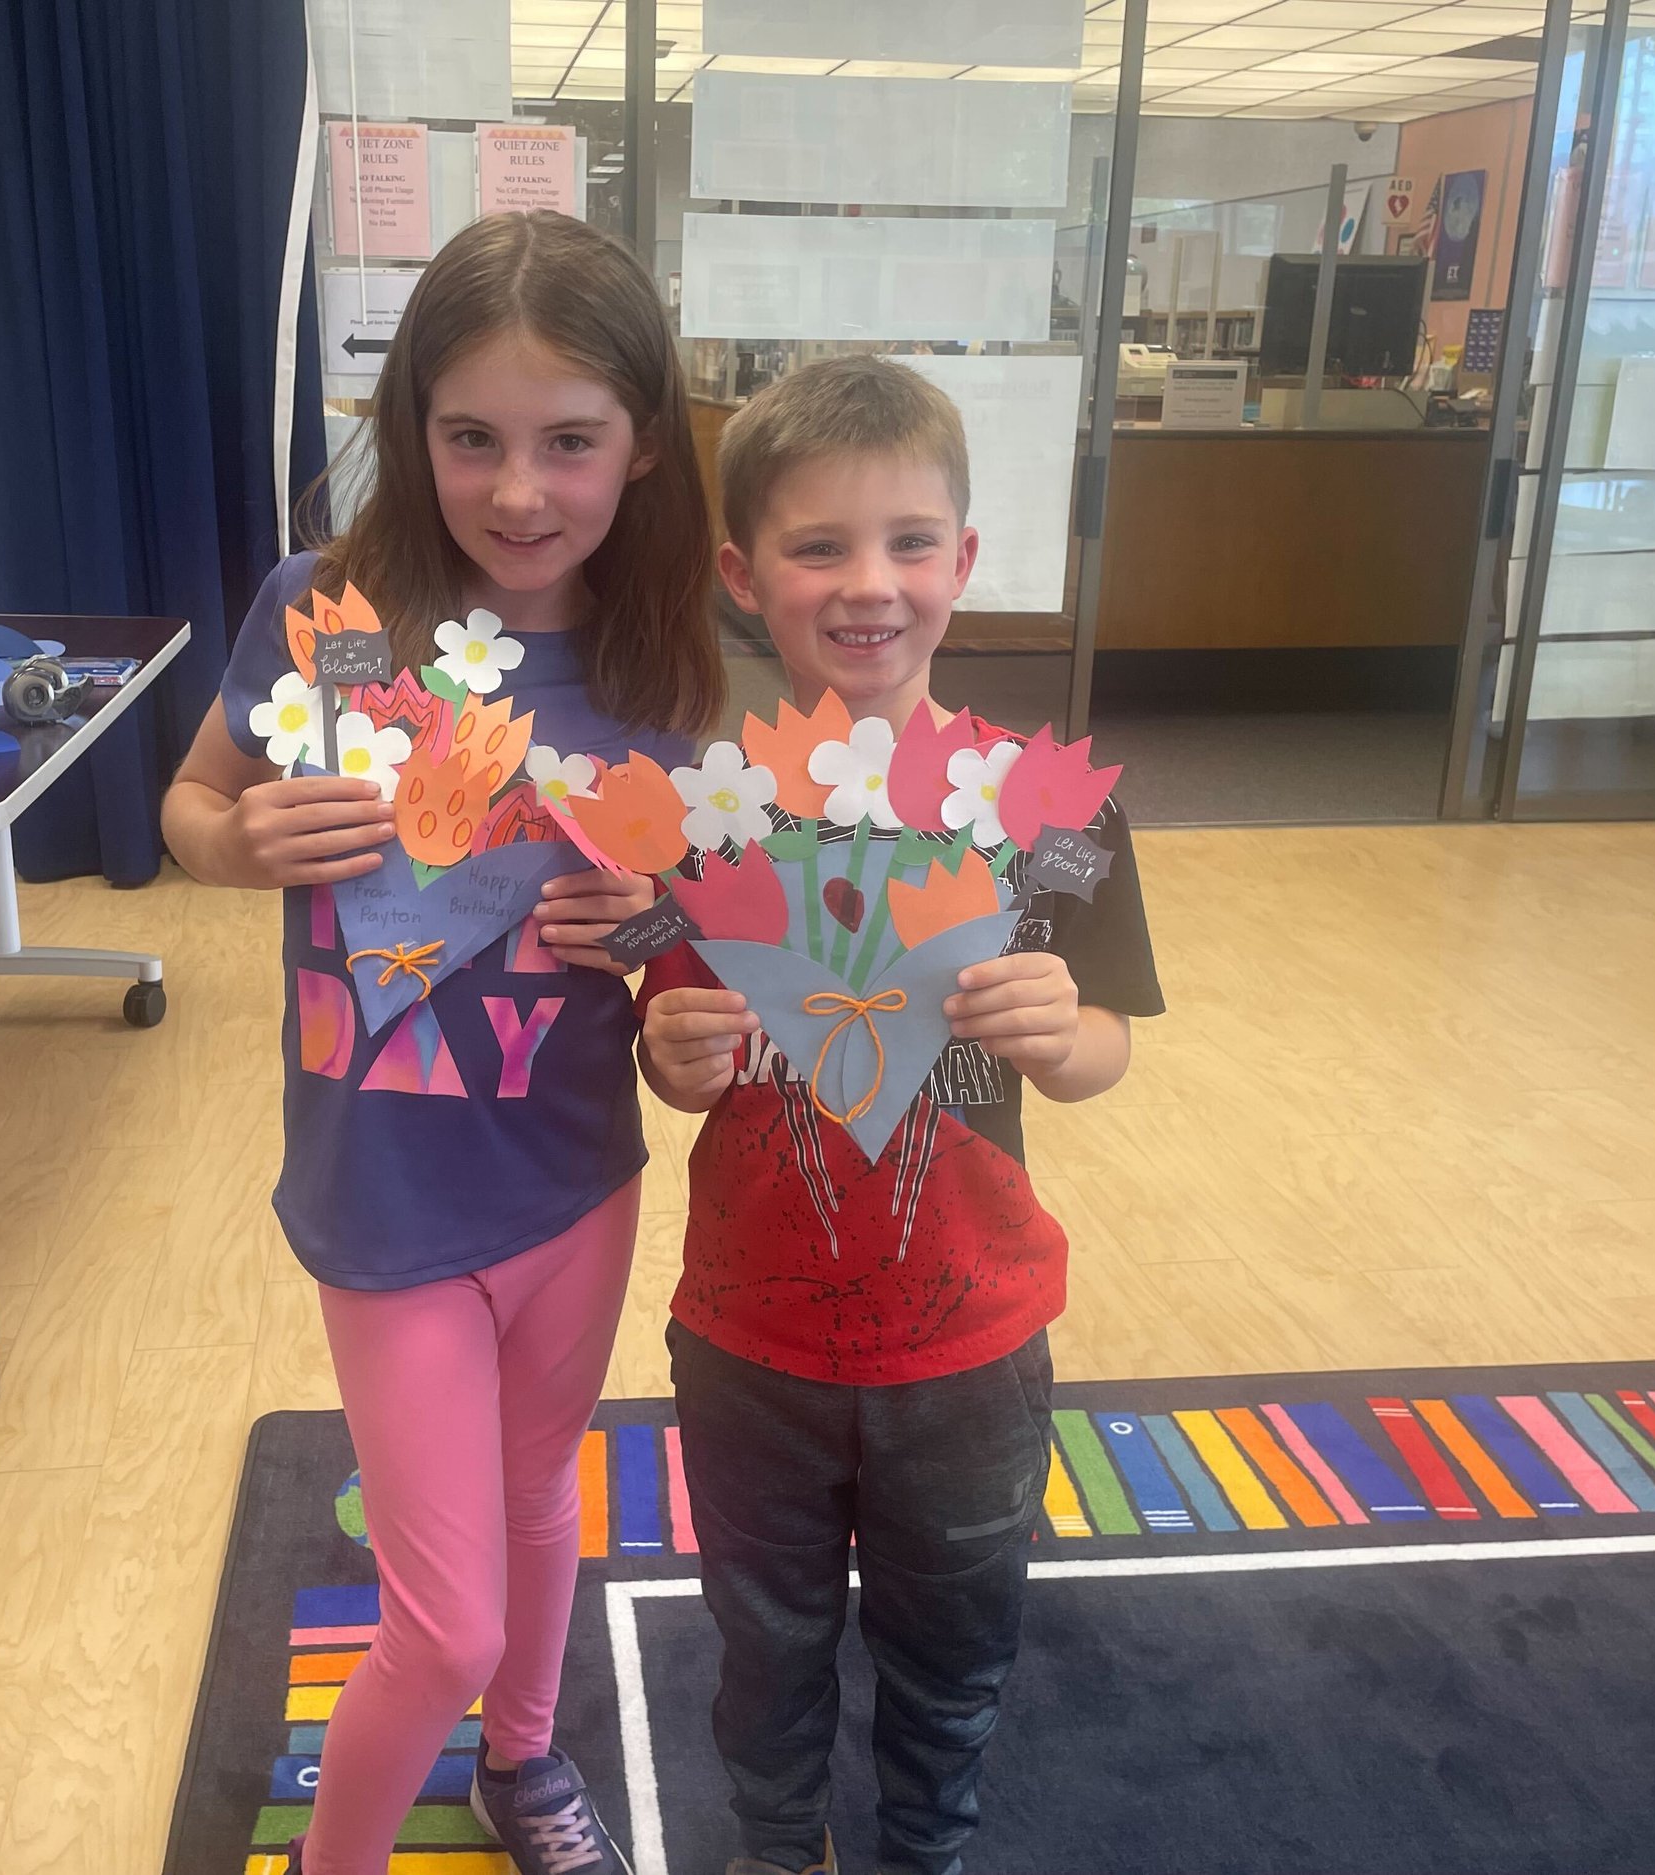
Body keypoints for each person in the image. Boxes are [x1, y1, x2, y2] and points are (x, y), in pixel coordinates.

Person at [164, 210, 722, 1875]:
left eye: (572, 443)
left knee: (543, 1497)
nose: (520, 490)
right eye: (471, 438)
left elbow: (679, 931)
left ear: (642, 448)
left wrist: (646, 935)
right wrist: (239, 838)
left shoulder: (655, 657)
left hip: (570, 1175)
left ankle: (525, 1768)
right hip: (388, 1199)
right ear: (413, 427)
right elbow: (191, 802)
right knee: (449, 1619)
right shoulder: (326, 615)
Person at [637, 357, 1165, 1875]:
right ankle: (772, 1840)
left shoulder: (1044, 810)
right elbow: (678, 1053)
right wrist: (674, 1056)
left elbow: (1109, 1047)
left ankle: (926, 1843)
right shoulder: (706, 814)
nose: (870, 586)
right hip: (753, 1334)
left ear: (966, 562)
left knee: (957, 1634)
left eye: (910, 543)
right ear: (745, 576)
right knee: (765, 1638)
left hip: (972, 1334)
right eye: (820, 547)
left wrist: (1066, 1035)